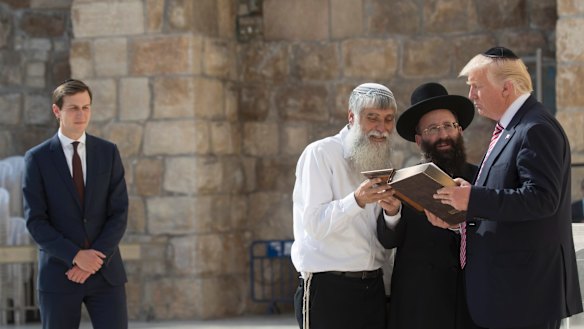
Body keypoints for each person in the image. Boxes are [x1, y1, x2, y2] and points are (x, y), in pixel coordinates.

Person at [427, 47, 583, 329]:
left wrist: (472, 198)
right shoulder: (513, 127)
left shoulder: (535, 128)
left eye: (476, 87)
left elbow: (541, 199)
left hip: (524, 296)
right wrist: (461, 209)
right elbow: (504, 202)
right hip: (508, 295)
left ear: (506, 88)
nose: (471, 95)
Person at [291, 82, 402, 329]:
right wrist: (357, 200)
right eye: (372, 118)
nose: (381, 128)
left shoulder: (383, 158)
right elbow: (315, 225)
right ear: (352, 117)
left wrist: (392, 213)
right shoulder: (320, 153)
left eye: (388, 119)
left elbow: (378, 236)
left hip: (372, 288)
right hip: (328, 289)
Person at [23, 79, 129, 329]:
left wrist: (94, 260)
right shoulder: (36, 159)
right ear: (56, 111)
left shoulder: (108, 152)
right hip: (59, 274)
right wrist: (75, 256)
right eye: (73, 108)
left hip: (106, 275)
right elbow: (36, 221)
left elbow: (119, 212)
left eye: (86, 107)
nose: (81, 114)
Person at [377, 82, 479, 329]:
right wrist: (391, 213)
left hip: (469, 303)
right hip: (420, 307)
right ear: (419, 139)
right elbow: (388, 239)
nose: (443, 135)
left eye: (448, 126)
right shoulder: (404, 181)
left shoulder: (482, 179)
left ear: (460, 131)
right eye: (433, 129)